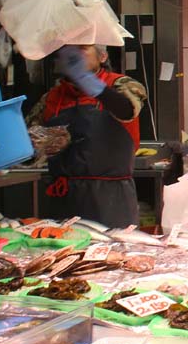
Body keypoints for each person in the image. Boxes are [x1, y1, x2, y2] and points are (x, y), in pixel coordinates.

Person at [27, 44, 147, 229]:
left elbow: (127, 109)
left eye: (83, 48)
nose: (76, 55)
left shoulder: (122, 85)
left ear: (103, 56)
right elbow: (28, 146)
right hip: (63, 199)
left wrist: (91, 84)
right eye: (71, 50)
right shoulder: (51, 97)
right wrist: (45, 143)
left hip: (112, 200)